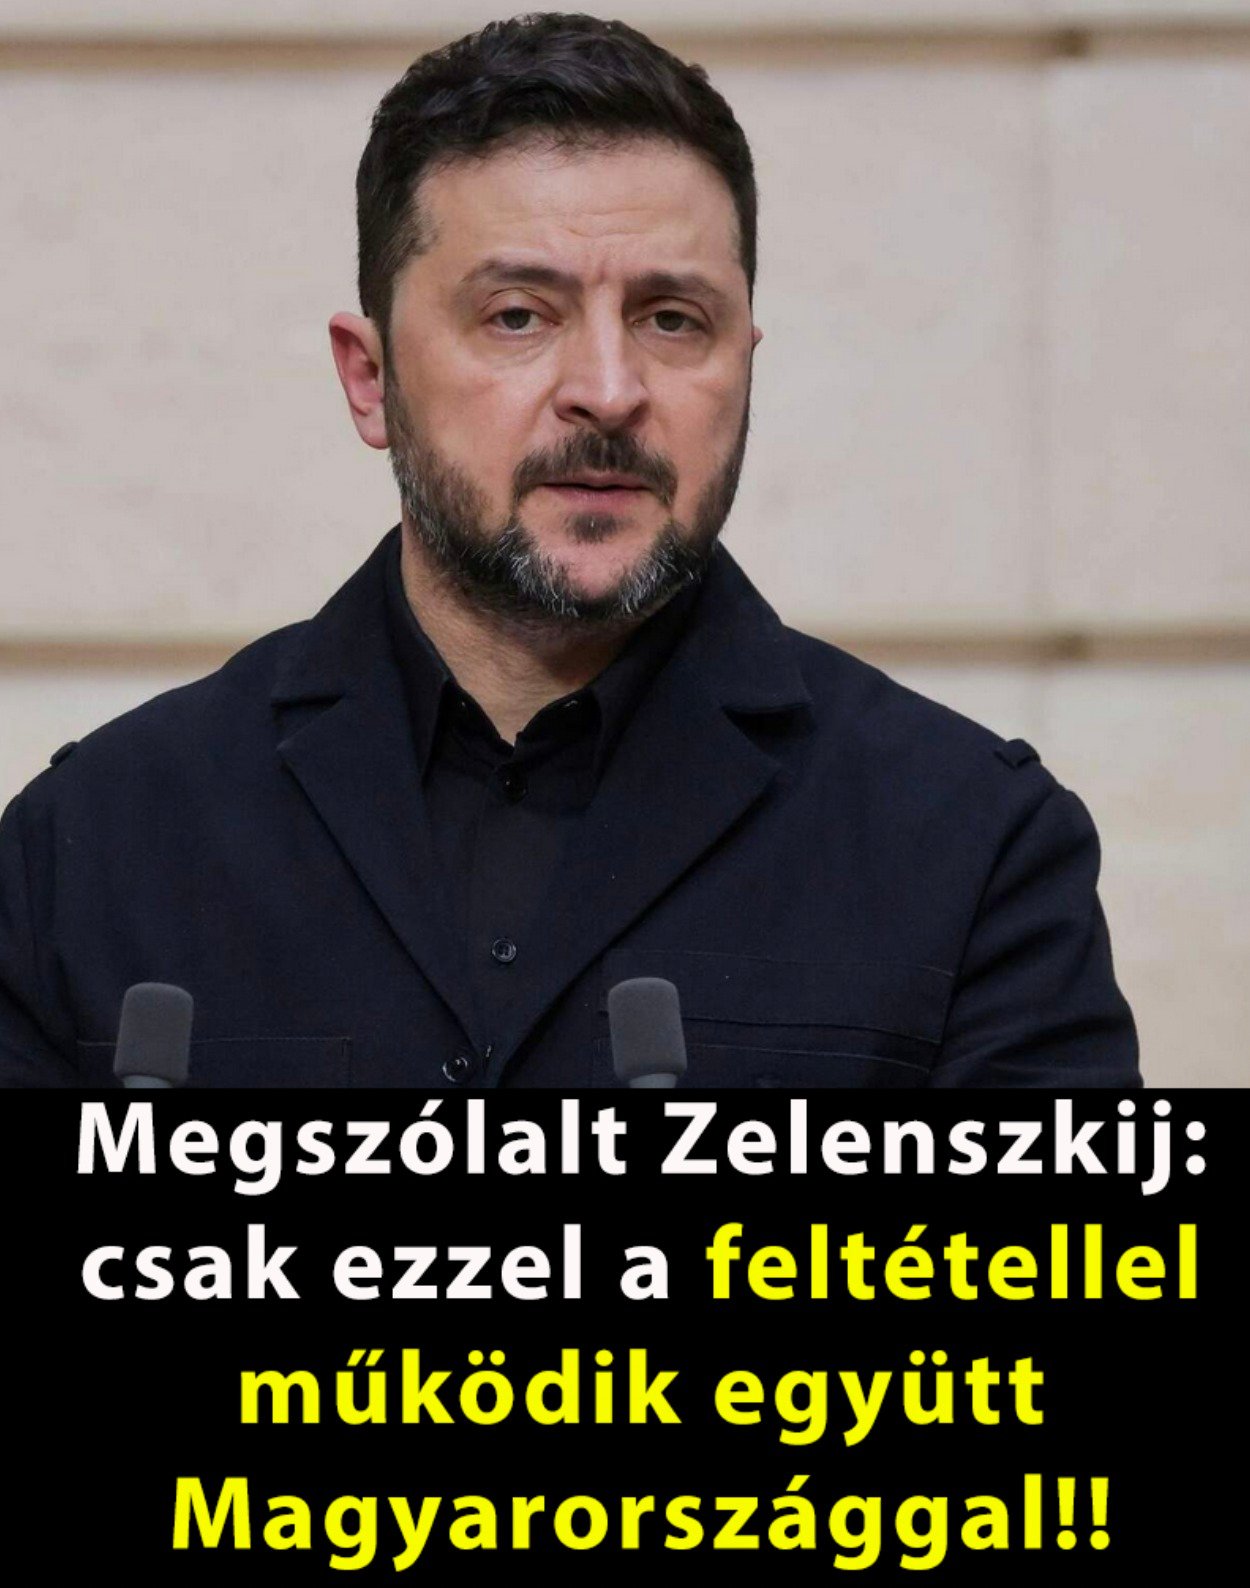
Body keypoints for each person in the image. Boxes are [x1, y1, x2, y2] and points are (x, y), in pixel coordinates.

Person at [0, 13, 1138, 1088]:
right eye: (518, 315)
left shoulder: (970, 848)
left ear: (744, 363)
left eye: (671, 318)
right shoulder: (96, 847)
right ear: (371, 378)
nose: (607, 389)